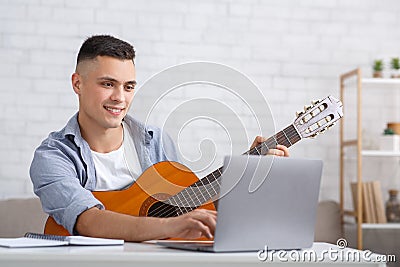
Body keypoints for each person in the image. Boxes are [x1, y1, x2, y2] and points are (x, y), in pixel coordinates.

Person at [30, 35, 289, 242]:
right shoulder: (53, 156)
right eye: (108, 84)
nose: (120, 97)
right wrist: (169, 225)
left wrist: (247, 172)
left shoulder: (156, 142)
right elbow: (87, 221)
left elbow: (191, 206)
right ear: (77, 84)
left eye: (129, 86)